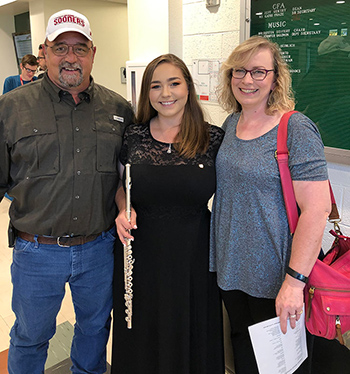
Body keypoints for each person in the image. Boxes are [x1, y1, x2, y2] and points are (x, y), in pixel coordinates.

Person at [0, 9, 134, 374]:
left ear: (93, 52)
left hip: (99, 249)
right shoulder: (11, 108)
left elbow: (128, 179)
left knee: (94, 330)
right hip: (36, 252)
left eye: (79, 48)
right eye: (61, 48)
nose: (70, 57)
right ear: (44, 52)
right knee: (30, 336)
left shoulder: (119, 110)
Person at [210, 35, 331, 374]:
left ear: (276, 78)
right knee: (246, 358)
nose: (247, 80)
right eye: (239, 71)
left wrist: (294, 283)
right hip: (232, 270)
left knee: (284, 366)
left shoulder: (295, 128)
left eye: (259, 72)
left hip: (276, 278)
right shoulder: (231, 124)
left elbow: (317, 209)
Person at [112, 53, 225, 374]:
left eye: (174, 83)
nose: (166, 93)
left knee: (191, 332)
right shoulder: (133, 136)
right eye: (156, 86)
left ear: (188, 87)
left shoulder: (213, 137)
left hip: (195, 256)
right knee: (142, 334)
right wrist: (122, 209)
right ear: (146, 93)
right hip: (141, 254)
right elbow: (122, 186)